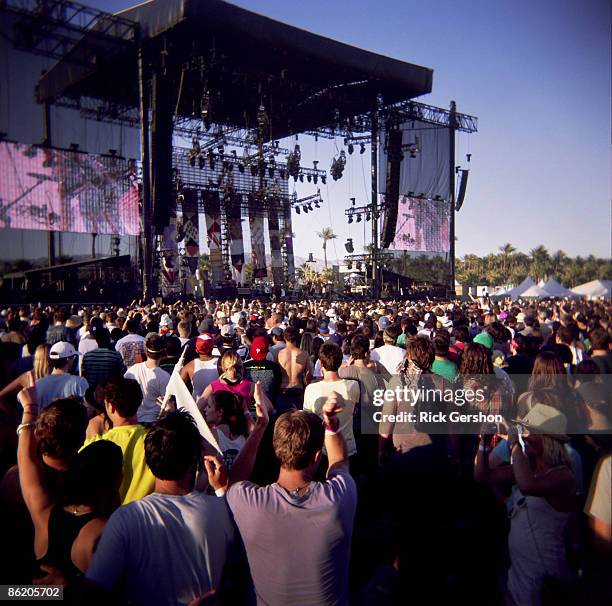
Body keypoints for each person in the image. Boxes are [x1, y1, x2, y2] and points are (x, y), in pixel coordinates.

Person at [85, 411, 236, 606]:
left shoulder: (126, 519)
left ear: (148, 460)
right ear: (193, 462)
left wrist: (54, 589)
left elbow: (91, 593)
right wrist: (222, 490)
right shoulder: (222, 511)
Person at [226, 392, 357, 605]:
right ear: (317, 456)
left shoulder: (249, 504)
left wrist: (261, 425)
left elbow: (236, 478)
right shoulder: (338, 500)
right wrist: (331, 425)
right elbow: (340, 462)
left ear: (277, 451)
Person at [16, 383, 123, 583]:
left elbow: (26, 457)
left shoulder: (43, 511)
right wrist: (69, 588)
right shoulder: (105, 534)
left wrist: (29, 410)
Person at [477, 405, 576, 606]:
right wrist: (484, 443)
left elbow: (528, 486)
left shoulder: (562, 475)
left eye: (532, 432)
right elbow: (483, 476)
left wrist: (514, 445)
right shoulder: (528, 467)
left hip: (544, 575)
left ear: (548, 440)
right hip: (519, 574)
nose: (526, 436)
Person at [81, 378, 155, 504]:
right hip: (147, 518)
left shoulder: (94, 446)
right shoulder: (156, 443)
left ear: (110, 406)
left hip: (109, 519)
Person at [303, 342, 358, 458]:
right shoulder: (353, 385)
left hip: (322, 451)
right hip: (347, 449)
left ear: (321, 363)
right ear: (340, 362)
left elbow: (307, 420)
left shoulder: (311, 389)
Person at [124, 334, 170, 424]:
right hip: (155, 422)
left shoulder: (132, 370)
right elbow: (167, 405)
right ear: (163, 353)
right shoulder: (164, 376)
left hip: (135, 421)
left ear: (146, 351)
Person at [204, 391, 251, 470]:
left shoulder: (212, 435)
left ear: (220, 412)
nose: (205, 410)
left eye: (209, 406)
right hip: (240, 481)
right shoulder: (244, 432)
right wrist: (246, 411)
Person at [35, 342, 89, 410]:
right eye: (73, 357)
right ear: (68, 359)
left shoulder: (38, 384)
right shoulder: (79, 382)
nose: (74, 360)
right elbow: (88, 409)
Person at [277, 326, 312, 412]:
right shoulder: (304, 354)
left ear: (284, 337)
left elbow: (276, 374)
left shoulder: (280, 354)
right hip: (298, 390)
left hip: (283, 389)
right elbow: (308, 376)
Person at [244, 335, 282, 406]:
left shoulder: (244, 366)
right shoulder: (274, 367)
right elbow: (277, 388)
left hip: (248, 407)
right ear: (267, 351)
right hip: (269, 407)